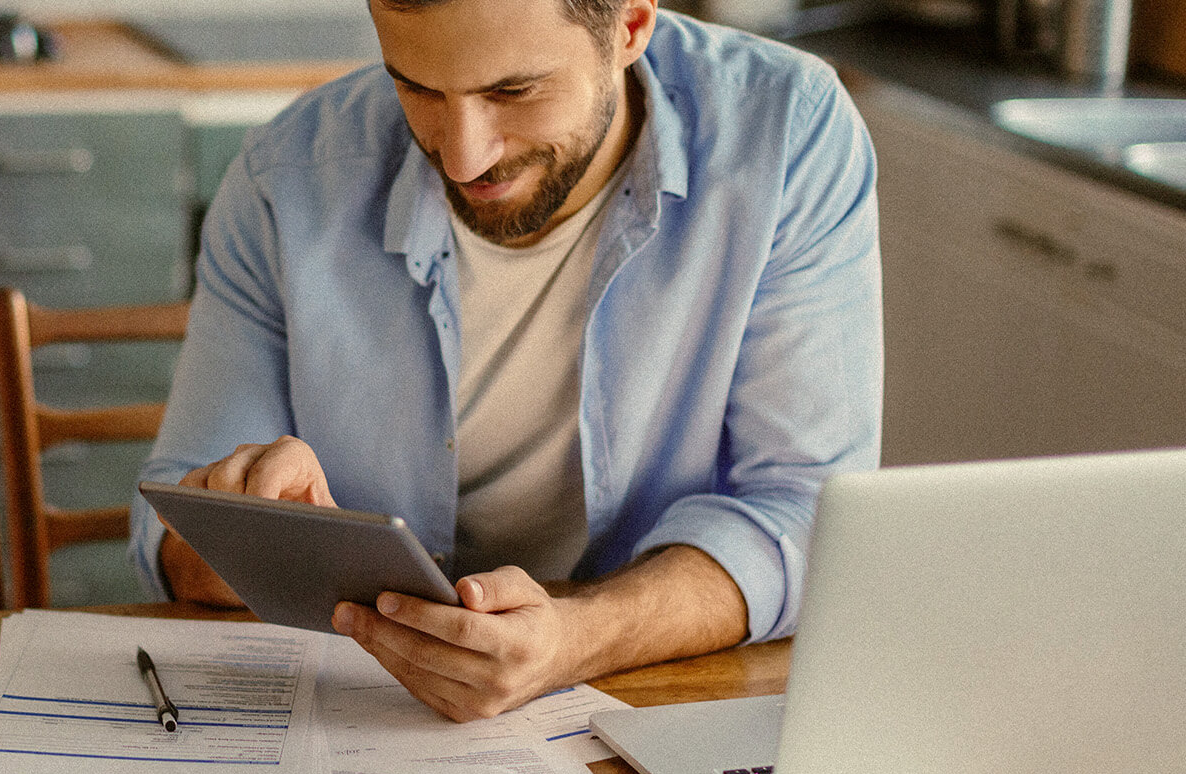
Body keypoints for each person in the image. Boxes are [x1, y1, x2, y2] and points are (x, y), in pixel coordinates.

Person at [129, 0, 882, 722]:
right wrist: (253, 528)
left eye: (512, 91)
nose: (462, 155)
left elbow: (809, 516)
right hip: (367, 713)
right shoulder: (284, 178)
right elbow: (168, 528)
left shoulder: (786, 133)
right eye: (416, 87)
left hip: (658, 695)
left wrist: (577, 637)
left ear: (630, 26)